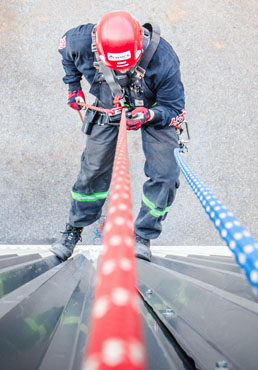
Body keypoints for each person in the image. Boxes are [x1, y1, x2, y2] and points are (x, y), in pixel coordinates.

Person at [51, 10, 185, 262]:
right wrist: (73, 87)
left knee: (165, 175)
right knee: (92, 169)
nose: (121, 69)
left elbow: (173, 107)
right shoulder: (79, 41)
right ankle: (74, 227)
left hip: (154, 107)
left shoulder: (163, 59)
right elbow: (67, 56)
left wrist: (149, 115)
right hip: (107, 101)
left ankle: (143, 234)